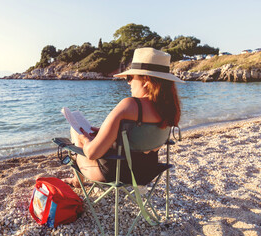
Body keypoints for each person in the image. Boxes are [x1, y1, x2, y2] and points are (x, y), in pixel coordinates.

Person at [63, 47, 184, 187]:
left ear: (146, 80)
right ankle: (77, 178)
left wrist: (83, 139)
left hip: (117, 173)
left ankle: (77, 181)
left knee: (76, 131)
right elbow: (141, 140)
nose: (128, 83)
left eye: (130, 78)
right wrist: (106, 133)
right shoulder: (170, 109)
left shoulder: (130, 105)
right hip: (148, 172)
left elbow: (91, 153)